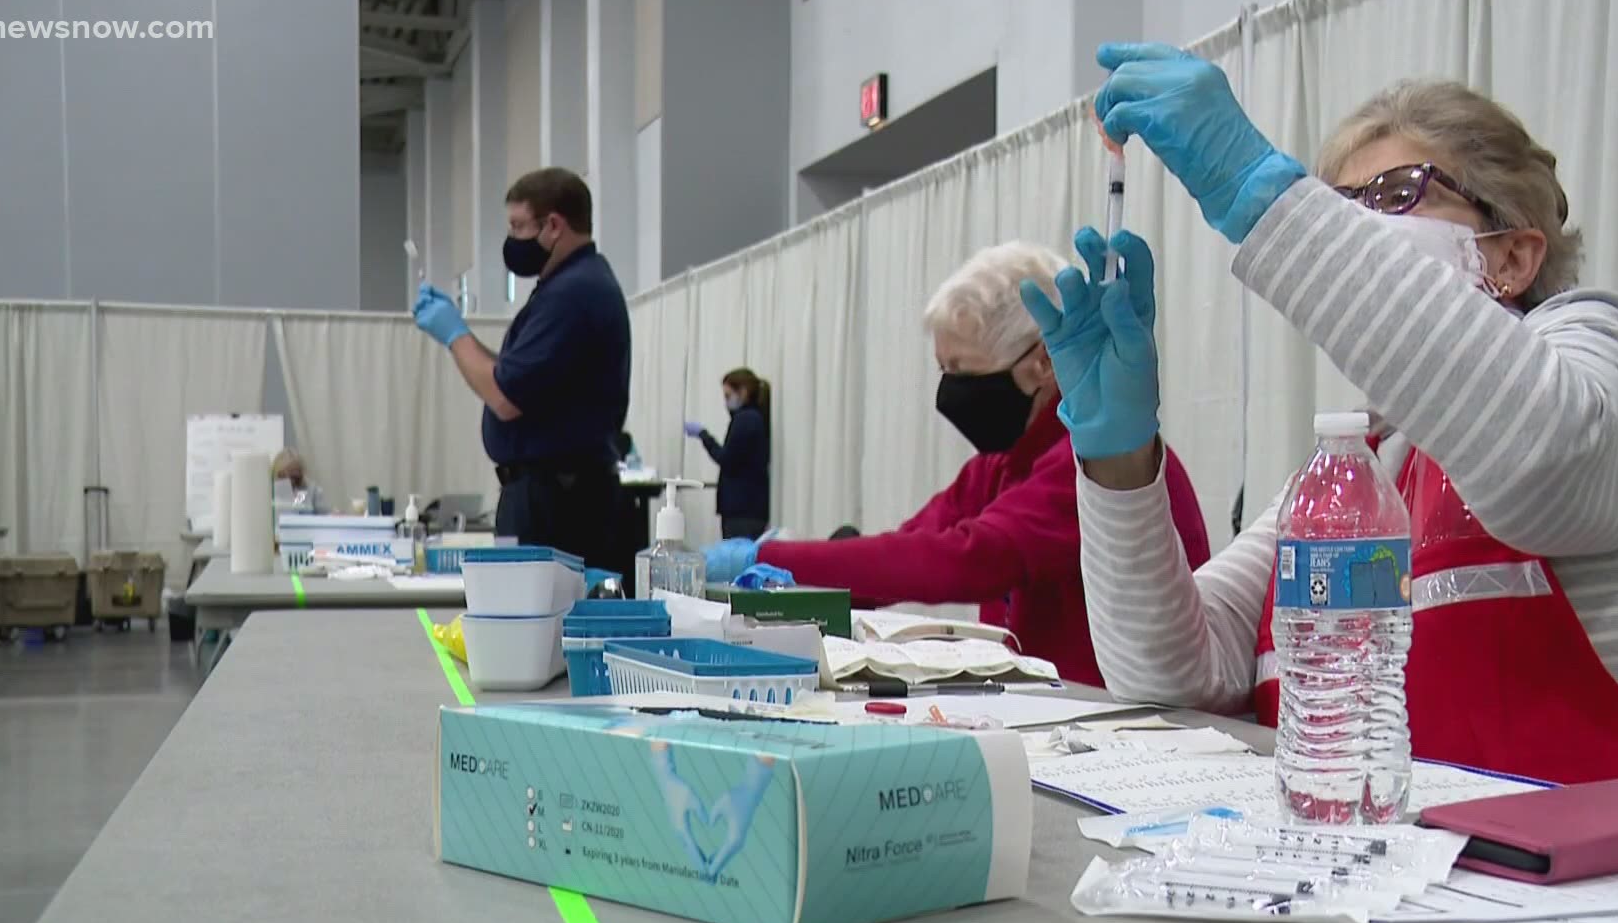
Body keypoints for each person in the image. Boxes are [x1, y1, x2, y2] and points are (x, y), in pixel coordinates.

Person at [1054, 42, 1618, 843]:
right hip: (1491, 896)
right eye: (1337, 204)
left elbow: (1540, 464)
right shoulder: (1368, 467)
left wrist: (1260, 199)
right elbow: (1173, 671)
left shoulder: (1613, 358)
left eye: (1394, 194)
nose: (1352, 227)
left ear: (1513, 256)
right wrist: (1119, 456)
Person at [702, 242, 1211, 687]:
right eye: (944, 370)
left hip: (1130, 731)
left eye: (964, 371)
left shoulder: (1093, 465)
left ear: (1042, 363)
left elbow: (965, 560)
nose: (951, 392)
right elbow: (906, 552)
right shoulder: (998, 467)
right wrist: (780, 589)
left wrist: (779, 559)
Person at [412, 168, 632, 569]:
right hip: (552, 494)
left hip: (558, 502)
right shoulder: (568, 286)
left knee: (536, 622)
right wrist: (462, 335)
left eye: (518, 226)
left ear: (553, 226)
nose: (511, 239)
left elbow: (506, 397)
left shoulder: (573, 294)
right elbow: (512, 376)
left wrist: (454, 336)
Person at [686, 368, 772, 540]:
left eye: (728, 396)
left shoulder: (745, 419)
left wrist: (704, 435)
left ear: (743, 392)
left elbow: (726, 459)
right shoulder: (755, 417)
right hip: (751, 508)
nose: (726, 402)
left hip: (742, 510)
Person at [270, 449, 326, 513]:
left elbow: (324, 515)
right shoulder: (269, 493)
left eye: (294, 476)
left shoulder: (312, 491)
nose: (290, 482)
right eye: (284, 476)